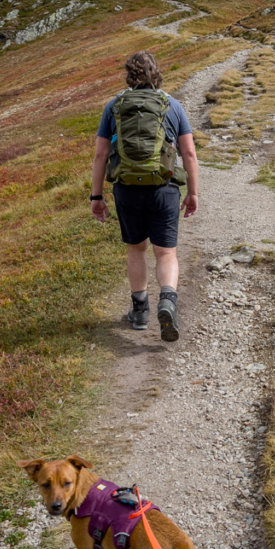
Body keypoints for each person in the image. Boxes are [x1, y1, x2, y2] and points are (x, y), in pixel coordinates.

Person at [90, 51, 198, 342]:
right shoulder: (172, 105)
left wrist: (96, 196)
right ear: (156, 73)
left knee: (136, 249)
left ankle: (140, 312)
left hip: (126, 188)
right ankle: (167, 301)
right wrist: (193, 192)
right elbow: (188, 153)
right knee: (166, 252)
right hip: (164, 189)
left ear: (129, 75)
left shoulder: (114, 106)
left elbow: (101, 153)